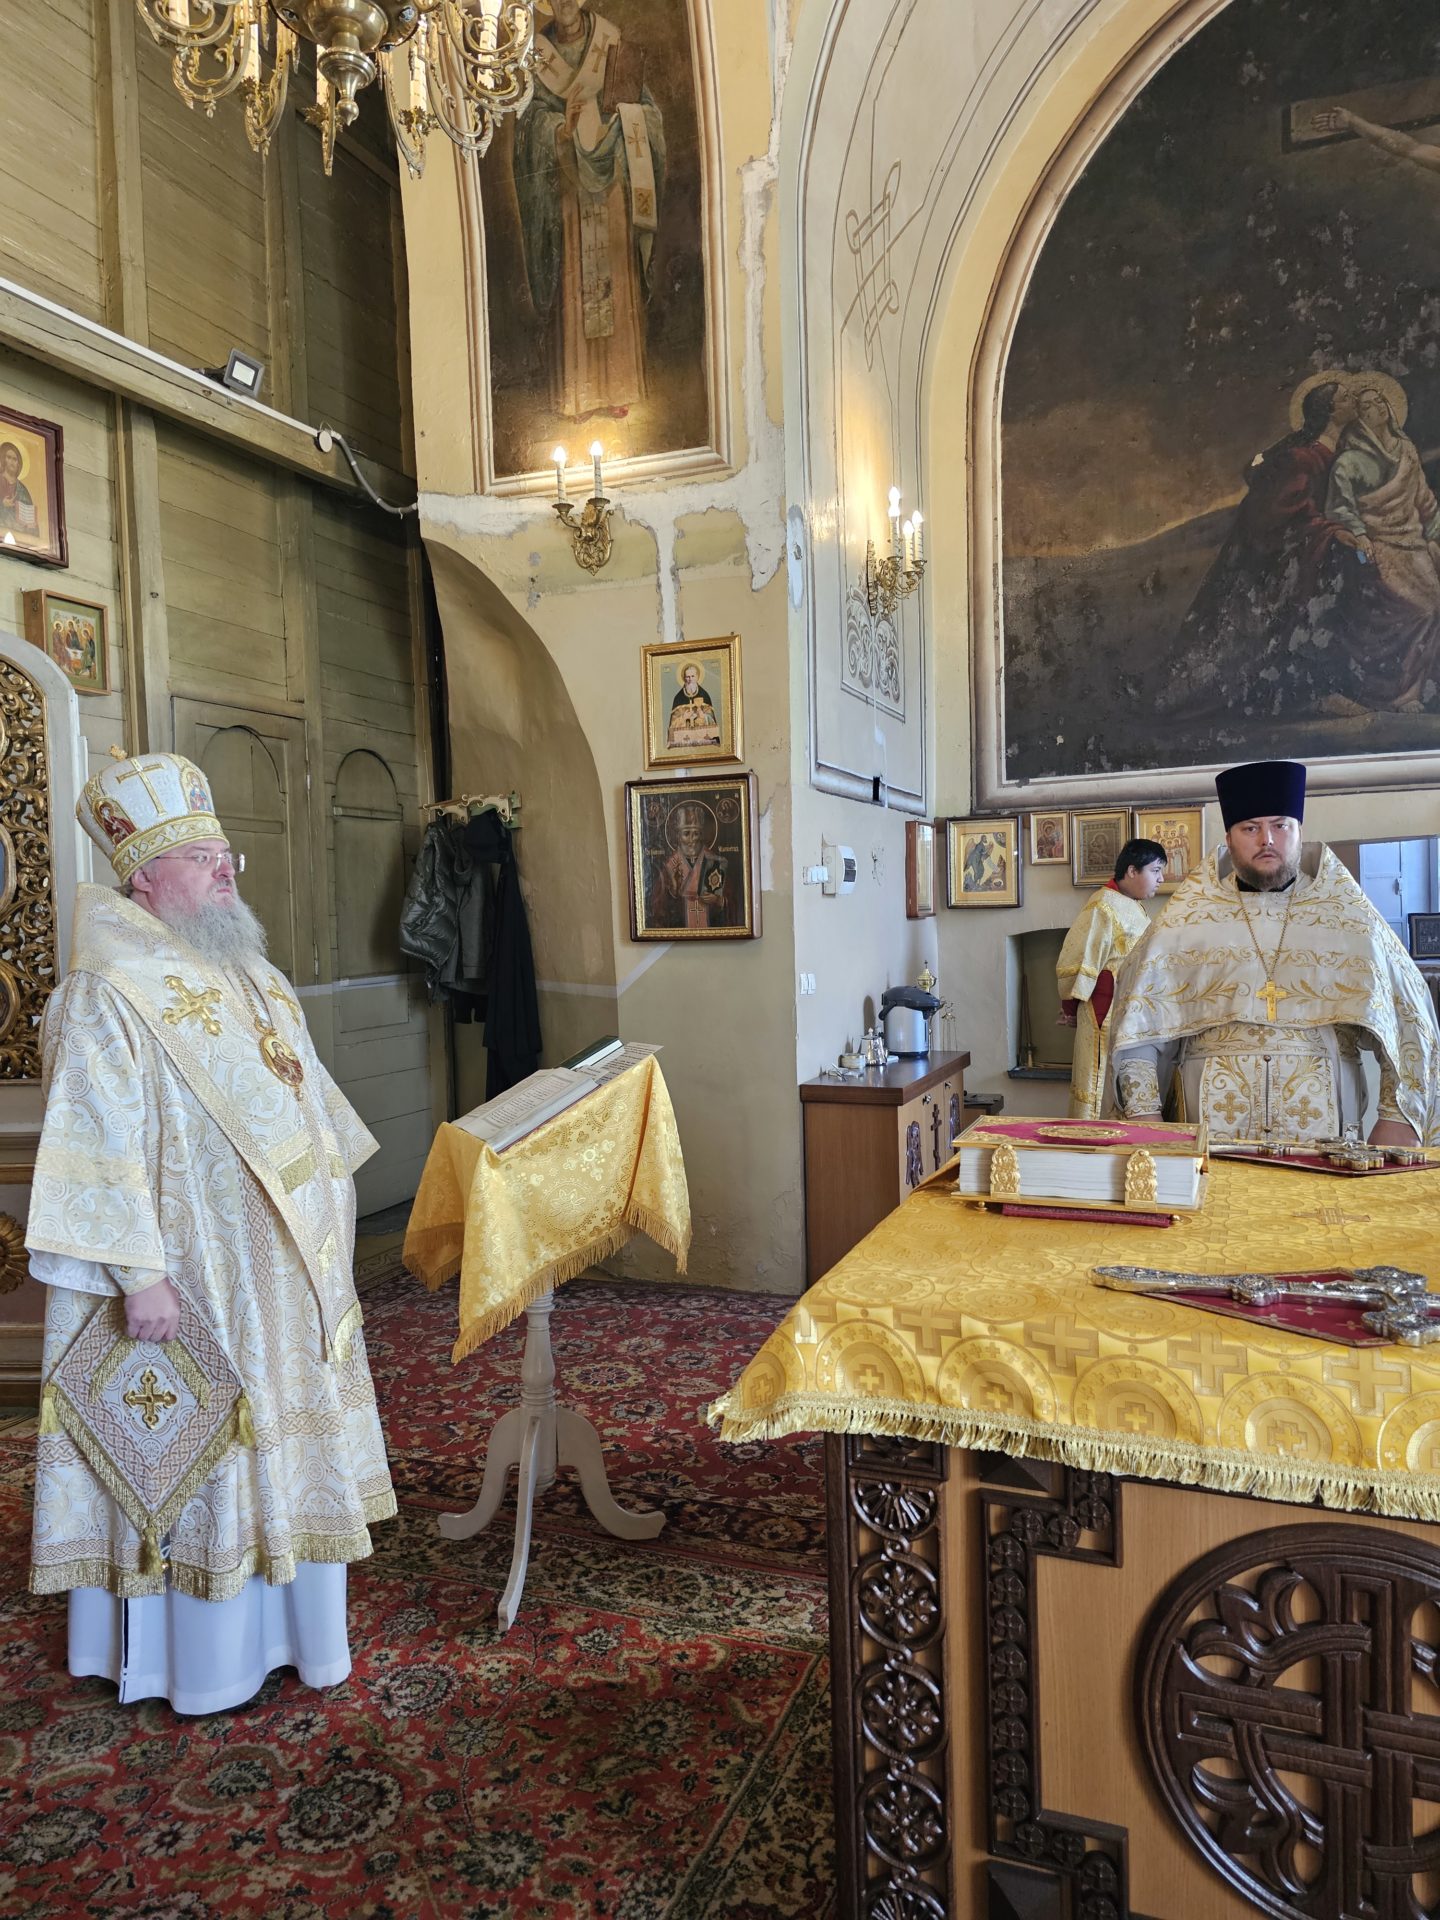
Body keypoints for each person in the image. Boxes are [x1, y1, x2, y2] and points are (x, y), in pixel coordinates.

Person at [26, 750, 395, 1713]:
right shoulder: (105, 993)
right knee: (193, 1452)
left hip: (279, 1280)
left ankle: (298, 1634)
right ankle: (197, 1663)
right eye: (200, 856)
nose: (225, 866)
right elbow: (93, 1144)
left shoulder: (254, 974)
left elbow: (310, 1113)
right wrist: (138, 1273)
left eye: (224, 851)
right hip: (190, 1280)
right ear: (144, 877)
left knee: (276, 1446)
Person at [1109, 759, 1440, 1144]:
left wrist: (1397, 1116)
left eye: (1280, 825)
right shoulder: (1184, 921)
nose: (1267, 839)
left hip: (1328, 1138)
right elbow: (1137, 1031)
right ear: (1229, 838)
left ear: (1299, 832)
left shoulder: (1349, 918)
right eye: (1250, 828)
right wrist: (1145, 1116)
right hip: (1210, 1136)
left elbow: (1409, 1021)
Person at [512, 0, 665, 421]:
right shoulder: (536, 56)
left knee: (615, 278)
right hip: (568, 188)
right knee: (575, 283)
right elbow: (526, 126)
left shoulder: (610, 42)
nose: (563, 3)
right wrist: (559, 129)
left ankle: (619, 386)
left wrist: (624, 120)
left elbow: (648, 112)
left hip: (611, 183)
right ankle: (578, 395)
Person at [1323, 382, 1440, 712]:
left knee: (1435, 608)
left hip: (1414, 546)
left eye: (1379, 401)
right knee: (1419, 610)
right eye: (1366, 406)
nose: (1376, 407)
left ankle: (1414, 693)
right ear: (1359, 419)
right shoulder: (1349, 462)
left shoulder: (1407, 452)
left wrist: (1435, 536)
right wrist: (1360, 535)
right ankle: (1397, 695)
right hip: (1378, 547)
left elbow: (1425, 501)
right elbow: (1340, 508)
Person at [1056, 837, 1166, 1118]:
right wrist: (1070, 1007)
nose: (1161, 879)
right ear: (1132, 871)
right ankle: (1093, 1139)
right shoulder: (1102, 905)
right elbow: (1078, 958)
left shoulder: (1131, 905)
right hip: (1105, 1014)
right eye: (1155, 871)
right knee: (1100, 1081)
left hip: (1131, 1014)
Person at [648, 802, 729, 929]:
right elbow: (658, 908)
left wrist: (718, 900)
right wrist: (673, 891)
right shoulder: (669, 867)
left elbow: (733, 902)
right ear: (678, 836)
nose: (692, 839)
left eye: (696, 833)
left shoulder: (715, 862)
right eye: (686, 833)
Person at [667, 662, 720, 747]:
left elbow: (712, 721)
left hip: (702, 740)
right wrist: (683, 718)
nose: (690, 679)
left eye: (692, 676)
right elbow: (672, 726)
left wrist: (704, 717)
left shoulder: (704, 695)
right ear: (684, 678)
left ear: (697, 677)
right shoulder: (678, 698)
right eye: (687, 677)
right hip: (684, 742)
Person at [0, 440, 37, 535]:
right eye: (9, 457)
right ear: (4, 459)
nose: (12, 461)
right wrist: (2, 504)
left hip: (19, 533)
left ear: (18, 463)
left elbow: (30, 522)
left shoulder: (22, 489)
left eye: (14, 459)